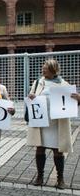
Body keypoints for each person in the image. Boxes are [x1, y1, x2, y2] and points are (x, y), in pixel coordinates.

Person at [26, 59, 80, 189]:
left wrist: (78, 99)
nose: (43, 70)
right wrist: (31, 97)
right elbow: (31, 98)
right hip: (42, 121)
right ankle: (40, 176)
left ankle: (60, 179)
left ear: (53, 69)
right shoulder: (38, 82)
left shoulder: (63, 83)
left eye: (45, 68)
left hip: (57, 123)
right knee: (40, 148)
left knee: (58, 150)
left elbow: (72, 102)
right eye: (43, 68)